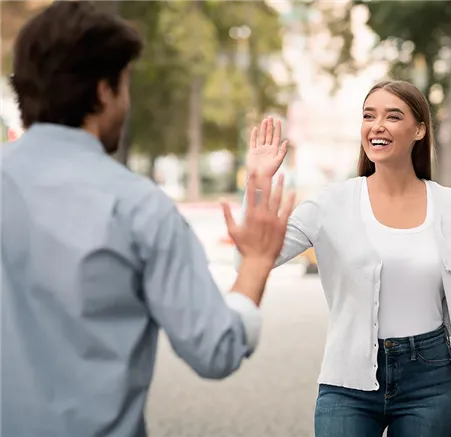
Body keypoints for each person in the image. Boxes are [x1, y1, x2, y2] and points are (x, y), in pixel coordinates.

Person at [0, 2, 294, 436]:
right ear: (103, 91)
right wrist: (255, 262)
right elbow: (215, 349)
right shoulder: (138, 208)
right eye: (124, 85)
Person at [241, 81, 451, 436]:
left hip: (429, 380)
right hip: (347, 381)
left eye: (393, 116)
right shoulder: (331, 204)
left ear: (419, 129)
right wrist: (257, 182)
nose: (377, 125)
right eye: (368, 116)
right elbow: (260, 251)